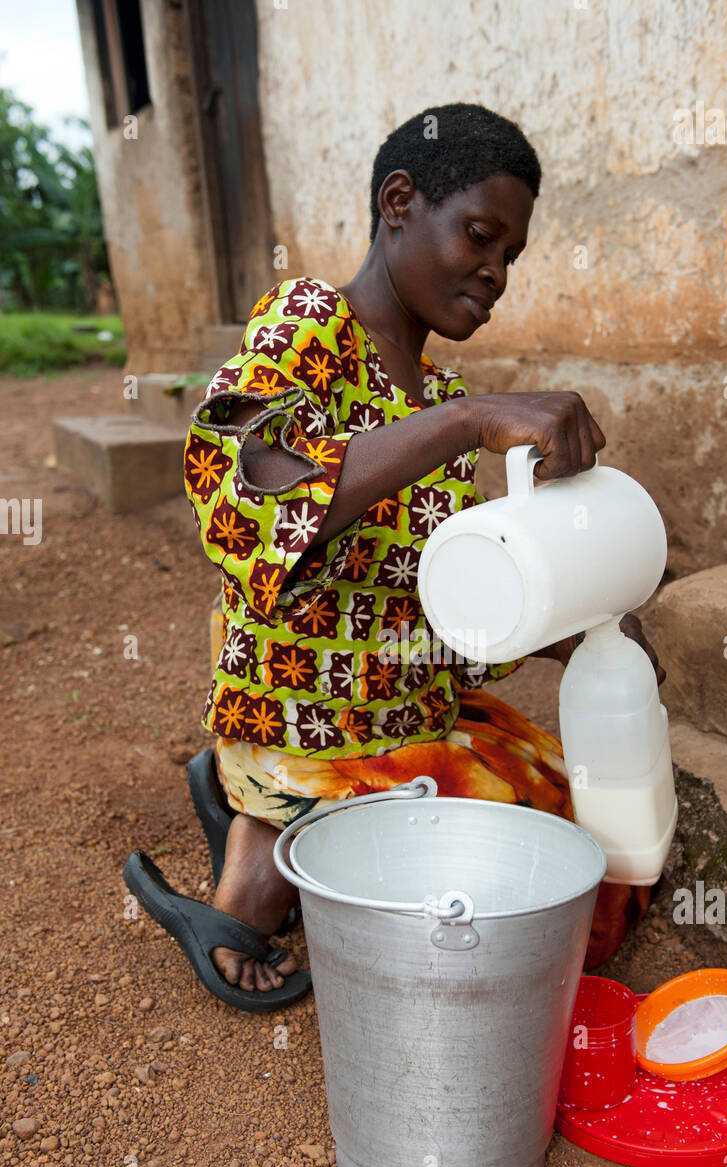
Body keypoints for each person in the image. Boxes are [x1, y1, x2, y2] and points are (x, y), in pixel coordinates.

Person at [124, 103, 662, 1012]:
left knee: (592, 859)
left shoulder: (438, 393)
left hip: (405, 709)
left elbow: (436, 598)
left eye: (511, 259)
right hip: (308, 717)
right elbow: (241, 498)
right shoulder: (309, 325)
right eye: (481, 238)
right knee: (501, 900)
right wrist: (464, 420)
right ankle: (256, 857)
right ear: (400, 201)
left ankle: (275, 830)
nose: (494, 275)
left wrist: (584, 624)